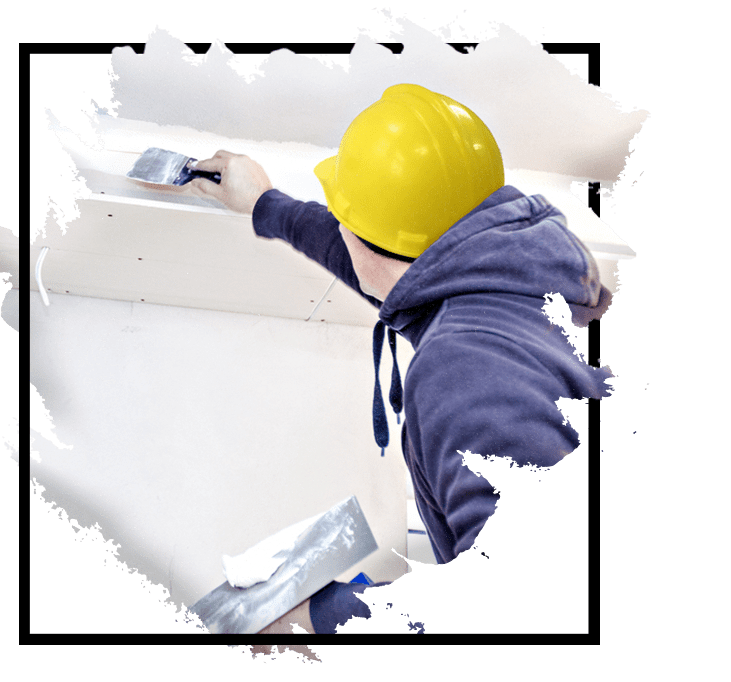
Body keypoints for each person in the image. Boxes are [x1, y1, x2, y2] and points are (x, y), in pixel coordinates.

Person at [184, 84, 614, 634]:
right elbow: (385, 266)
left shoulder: (464, 377)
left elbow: (523, 607)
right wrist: (267, 204)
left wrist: (320, 618)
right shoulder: (528, 276)